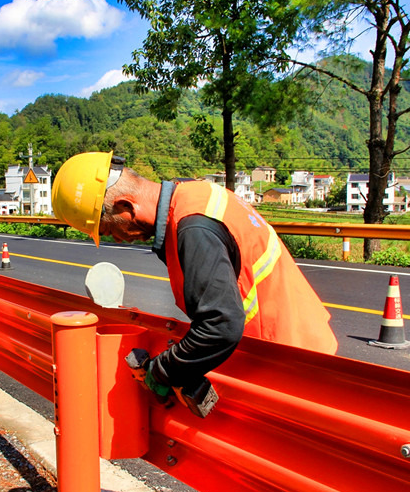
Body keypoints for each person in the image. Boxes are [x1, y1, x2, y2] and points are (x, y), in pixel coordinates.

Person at [51, 151, 337, 396]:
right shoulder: (197, 195)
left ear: (126, 207)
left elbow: (220, 326)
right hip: (299, 349)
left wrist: (163, 371)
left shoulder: (194, 227)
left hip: (286, 364)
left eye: (110, 230)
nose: (118, 239)